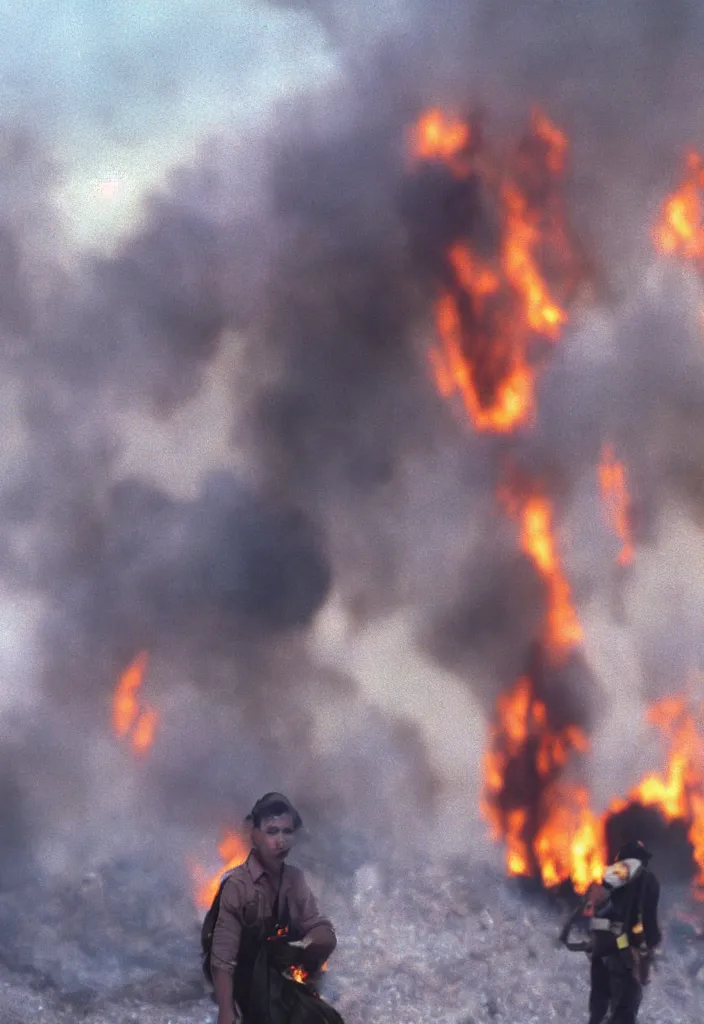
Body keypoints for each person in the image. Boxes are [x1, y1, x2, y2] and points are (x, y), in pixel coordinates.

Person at [208, 792, 338, 1024]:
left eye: (287, 832)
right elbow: (222, 957)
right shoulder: (238, 886)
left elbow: (315, 925)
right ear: (255, 834)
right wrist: (226, 1010)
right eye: (272, 831)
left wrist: (314, 941)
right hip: (247, 983)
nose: (281, 840)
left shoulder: (294, 880)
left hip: (281, 980)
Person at [586, 839, 661, 1024]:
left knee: (598, 1010)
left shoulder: (609, 879)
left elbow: (595, 913)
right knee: (626, 1009)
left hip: (601, 950)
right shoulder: (647, 880)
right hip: (625, 954)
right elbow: (646, 919)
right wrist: (648, 945)